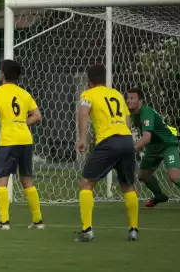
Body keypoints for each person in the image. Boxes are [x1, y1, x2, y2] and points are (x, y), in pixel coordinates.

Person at [76, 64, 138, 242]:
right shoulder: (117, 94)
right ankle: (133, 230)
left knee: (86, 184)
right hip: (126, 140)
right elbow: (127, 121)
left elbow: (83, 113)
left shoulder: (88, 94)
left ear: (89, 81)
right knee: (128, 186)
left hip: (108, 142)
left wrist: (82, 138)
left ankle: (87, 230)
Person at [0, 59, 44, 231]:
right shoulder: (24, 93)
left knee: (2, 180)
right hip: (25, 139)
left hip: (8, 141)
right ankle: (38, 221)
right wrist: (21, 122)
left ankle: (4, 222)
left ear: (2, 73)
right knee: (26, 179)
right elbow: (38, 116)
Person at [126, 88, 180, 211]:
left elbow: (146, 138)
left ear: (140, 101)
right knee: (143, 176)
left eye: (132, 98)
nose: (128, 100)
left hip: (167, 145)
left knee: (174, 177)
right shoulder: (132, 114)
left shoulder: (146, 112)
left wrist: (129, 151)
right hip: (153, 148)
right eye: (127, 98)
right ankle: (159, 196)